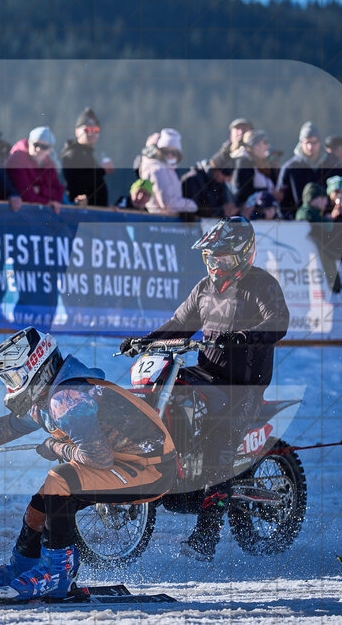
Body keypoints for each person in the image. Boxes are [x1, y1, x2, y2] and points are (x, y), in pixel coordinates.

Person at [0, 327, 176, 601]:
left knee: (59, 480)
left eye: (13, 376)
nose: (10, 386)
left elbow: (99, 459)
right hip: (127, 463)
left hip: (152, 470)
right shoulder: (51, 399)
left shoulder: (67, 399)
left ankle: (56, 575)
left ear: (36, 368)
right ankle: (22, 568)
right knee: (40, 505)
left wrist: (54, 446)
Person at [121, 216, 289, 561]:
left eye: (223, 257)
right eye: (210, 257)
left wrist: (243, 337)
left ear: (244, 254)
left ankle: (205, 538)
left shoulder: (262, 284)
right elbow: (180, 324)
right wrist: (144, 342)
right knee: (163, 393)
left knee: (219, 447)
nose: (215, 264)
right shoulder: (204, 288)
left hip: (243, 386)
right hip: (206, 373)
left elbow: (278, 322)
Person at [277, 121, 338, 217]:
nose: (310, 147)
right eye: (307, 142)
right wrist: (291, 221)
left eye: (314, 142)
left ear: (320, 142)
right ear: (301, 143)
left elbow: (341, 192)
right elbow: (282, 200)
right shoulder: (290, 168)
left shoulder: (333, 164)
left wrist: (332, 214)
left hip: (329, 221)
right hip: (299, 222)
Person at [60, 107, 113, 207]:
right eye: (87, 129)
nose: (91, 133)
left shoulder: (87, 153)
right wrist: (102, 171)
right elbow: (76, 185)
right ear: (77, 132)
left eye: (96, 130)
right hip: (81, 214)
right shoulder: (73, 153)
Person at [138, 128, 197, 215]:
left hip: (167, 221)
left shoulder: (168, 169)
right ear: (159, 151)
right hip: (161, 222)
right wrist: (191, 206)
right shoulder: (158, 170)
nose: (170, 155)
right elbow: (167, 204)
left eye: (174, 153)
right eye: (166, 152)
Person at [6, 126, 64, 211]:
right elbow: (27, 196)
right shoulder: (17, 159)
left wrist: (41, 190)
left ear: (49, 150)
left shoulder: (49, 164)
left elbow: (59, 193)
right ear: (29, 143)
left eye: (44, 147)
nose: (38, 149)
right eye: (36, 144)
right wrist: (48, 204)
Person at [231, 129, 278, 209]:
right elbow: (241, 194)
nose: (268, 146)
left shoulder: (260, 162)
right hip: (250, 215)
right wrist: (268, 195)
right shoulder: (243, 162)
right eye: (265, 142)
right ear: (255, 146)